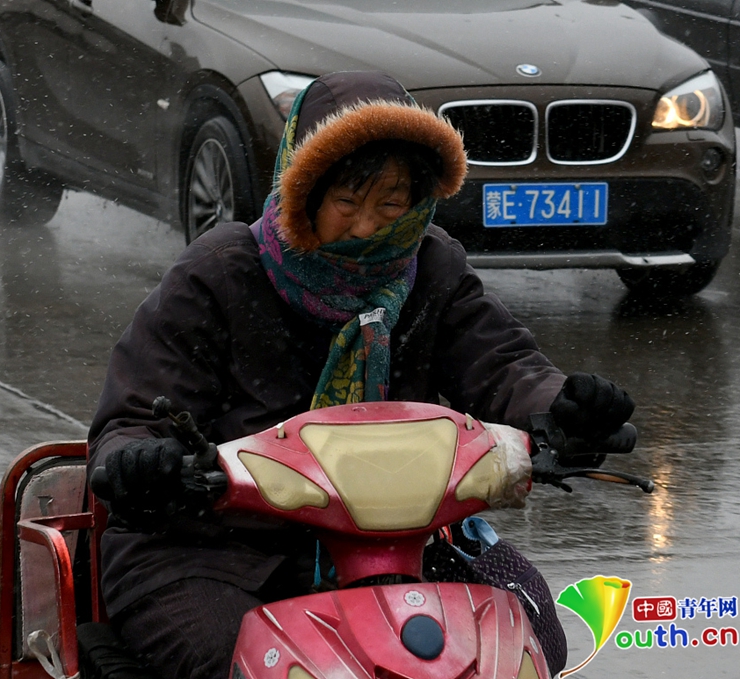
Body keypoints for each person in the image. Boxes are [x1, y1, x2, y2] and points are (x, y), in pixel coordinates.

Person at [87, 71, 634, 679]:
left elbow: (503, 366)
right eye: (346, 203)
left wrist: (565, 408)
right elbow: (133, 417)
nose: (367, 228)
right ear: (302, 191)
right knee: (244, 662)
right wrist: (144, 463)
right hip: (213, 553)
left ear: (419, 202)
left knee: (528, 639)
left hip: (399, 543)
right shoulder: (217, 274)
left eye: (391, 205)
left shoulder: (432, 268)